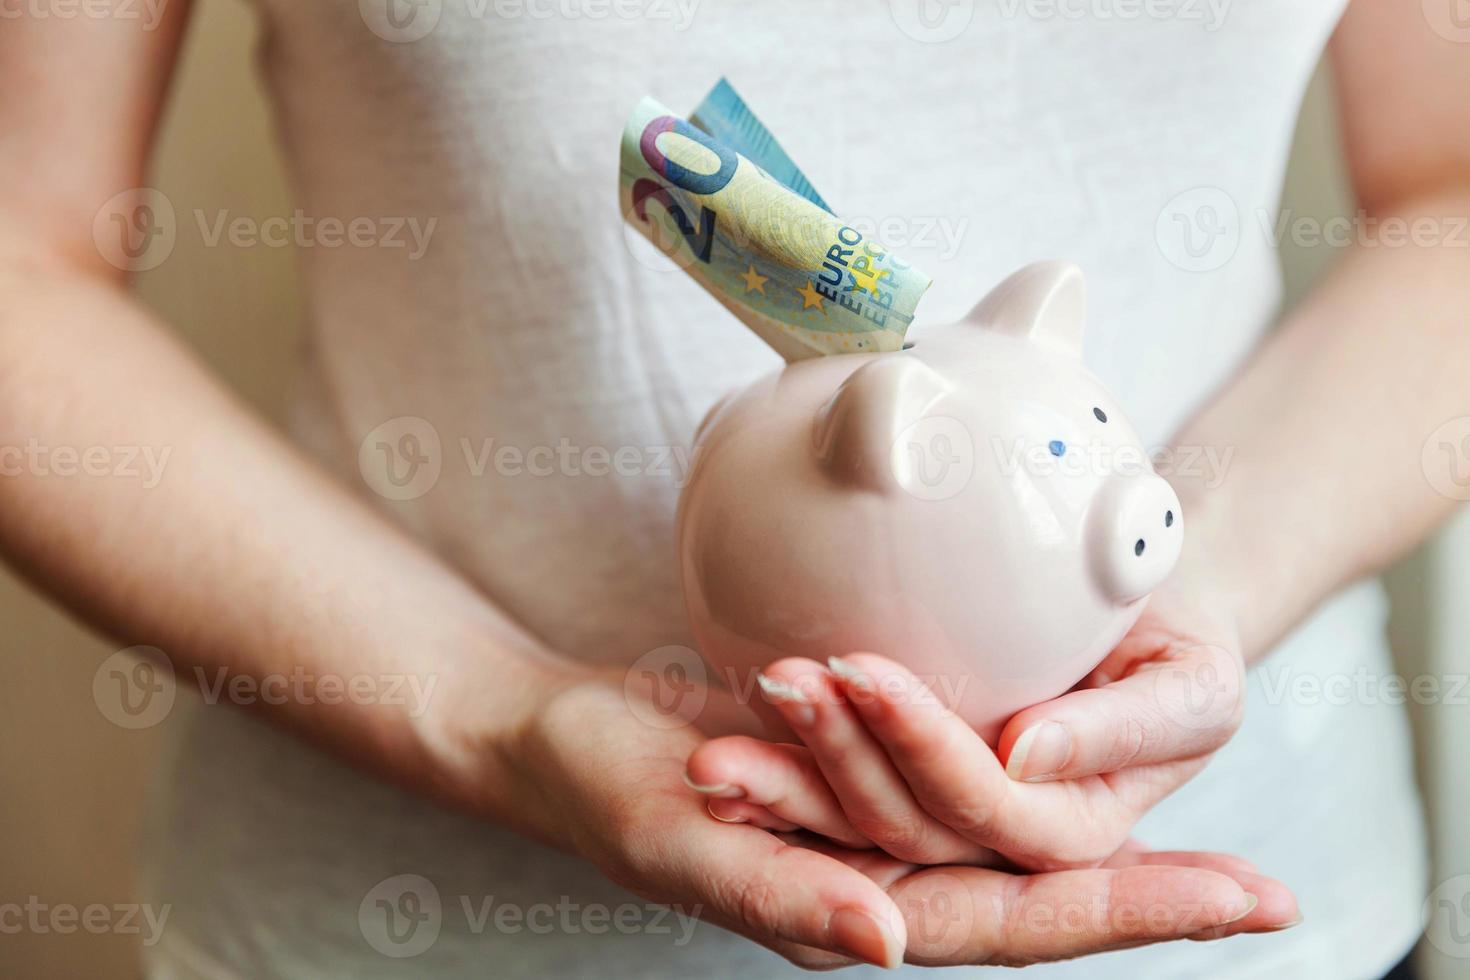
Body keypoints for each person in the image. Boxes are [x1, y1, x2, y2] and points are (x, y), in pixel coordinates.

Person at [1, 1, 1463, 976]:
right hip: (416, 925)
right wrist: (502, 714)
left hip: (1265, 900)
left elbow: (1450, 187)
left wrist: (1195, 597)